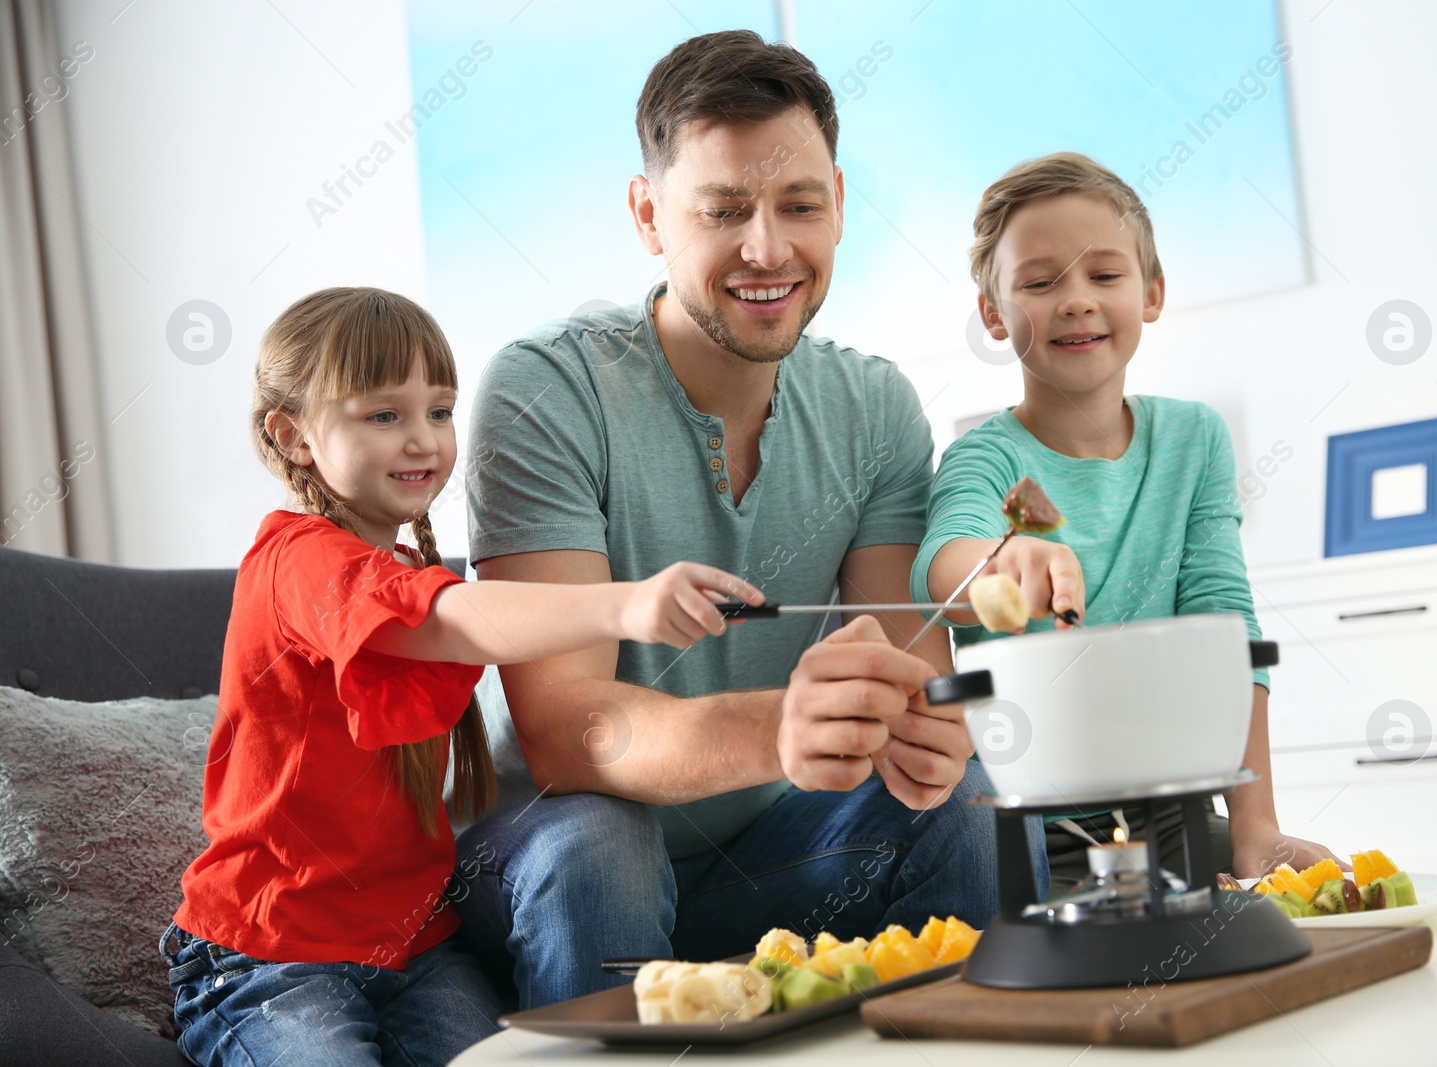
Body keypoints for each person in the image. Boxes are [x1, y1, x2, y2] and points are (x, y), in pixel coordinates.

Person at [456, 30, 1027, 1010]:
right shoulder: (545, 388)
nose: (768, 249)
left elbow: (898, 666)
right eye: (722, 210)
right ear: (648, 214)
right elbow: (568, 732)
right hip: (557, 860)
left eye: (798, 205)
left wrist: (932, 725)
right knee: (605, 839)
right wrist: (789, 729)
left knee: (957, 803)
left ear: (838, 204)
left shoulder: (875, 406)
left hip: (766, 858)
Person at [161, 287, 761, 1066]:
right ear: (294, 434)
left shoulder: (406, 566)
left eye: (439, 412)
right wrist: (627, 605)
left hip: (414, 952)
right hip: (270, 957)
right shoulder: (295, 561)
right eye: (384, 416)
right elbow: (448, 618)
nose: (422, 441)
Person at [912, 152, 1340, 895]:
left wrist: (1255, 829)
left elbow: (1225, 624)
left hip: (1173, 816)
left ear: (1152, 291)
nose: (1075, 300)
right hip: (1027, 837)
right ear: (993, 313)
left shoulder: (1194, 439)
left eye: (1103, 275)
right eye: (1040, 282)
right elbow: (941, 568)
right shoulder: (983, 457)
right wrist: (998, 565)